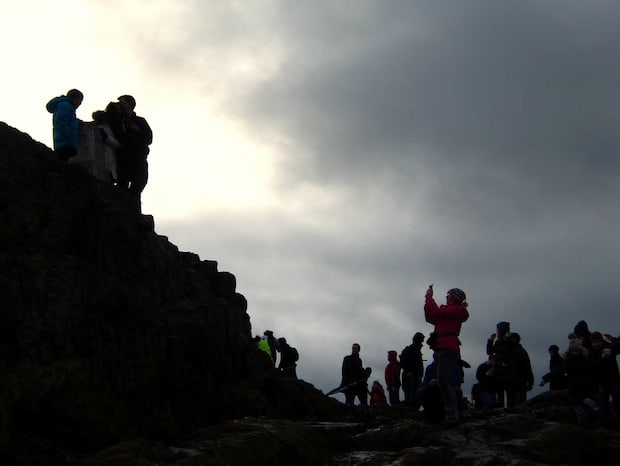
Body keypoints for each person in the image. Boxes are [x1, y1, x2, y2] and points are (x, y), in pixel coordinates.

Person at [424, 284, 469, 426]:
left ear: (455, 298)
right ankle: (450, 412)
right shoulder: (453, 311)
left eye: (449, 295)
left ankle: (452, 414)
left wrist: (429, 298)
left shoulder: (457, 310)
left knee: (443, 381)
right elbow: (431, 317)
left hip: (447, 348)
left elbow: (435, 314)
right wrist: (428, 300)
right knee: (444, 381)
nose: (446, 297)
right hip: (443, 347)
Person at [541, 339, 600, 428]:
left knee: (590, 405)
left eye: (576, 350)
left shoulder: (587, 360)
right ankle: (586, 429)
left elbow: (597, 368)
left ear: (580, 350)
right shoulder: (568, 362)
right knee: (581, 413)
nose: (574, 352)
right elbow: (557, 371)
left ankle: (598, 421)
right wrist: (545, 379)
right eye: (572, 350)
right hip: (575, 390)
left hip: (586, 389)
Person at [116, 94, 152, 203]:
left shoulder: (140, 121)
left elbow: (149, 138)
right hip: (123, 159)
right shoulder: (116, 120)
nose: (120, 105)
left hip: (138, 158)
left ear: (130, 105)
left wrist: (137, 130)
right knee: (122, 187)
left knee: (137, 187)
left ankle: (134, 214)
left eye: (123, 102)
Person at [590, 331, 620, 427]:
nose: (596, 343)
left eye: (597, 341)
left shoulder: (609, 347)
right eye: (593, 342)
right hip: (602, 382)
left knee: (618, 401)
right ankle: (606, 423)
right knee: (604, 403)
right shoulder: (592, 353)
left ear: (601, 341)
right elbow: (594, 365)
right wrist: (602, 358)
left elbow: (618, 345)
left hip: (614, 380)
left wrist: (613, 341)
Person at [46, 89, 84, 162]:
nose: (80, 103)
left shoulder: (67, 107)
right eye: (80, 100)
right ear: (74, 98)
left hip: (64, 142)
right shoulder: (65, 106)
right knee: (62, 162)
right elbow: (61, 121)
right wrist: (67, 135)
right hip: (64, 142)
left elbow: (68, 121)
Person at [504, 332, 534, 407]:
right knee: (515, 404)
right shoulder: (518, 352)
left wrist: (530, 381)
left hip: (517, 382)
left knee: (517, 404)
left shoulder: (518, 352)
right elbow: (528, 367)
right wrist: (530, 381)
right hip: (513, 382)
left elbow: (527, 367)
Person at [486, 321, 511, 407]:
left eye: (497, 329)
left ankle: (509, 412)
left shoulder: (509, 341)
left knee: (508, 394)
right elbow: (489, 352)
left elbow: (495, 353)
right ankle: (503, 411)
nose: (496, 331)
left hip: (507, 371)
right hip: (499, 371)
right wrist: (490, 341)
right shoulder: (499, 341)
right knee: (500, 393)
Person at [399, 332, 425, 409]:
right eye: (421, 340)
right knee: (412, 394)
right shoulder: (411, 349)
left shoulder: (412, 349)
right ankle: (411, 410)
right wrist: (408, 371)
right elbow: (403, 362)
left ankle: (412, 410)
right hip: (412, 375)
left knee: (412, 394)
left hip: (414, 375)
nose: (422, 342)